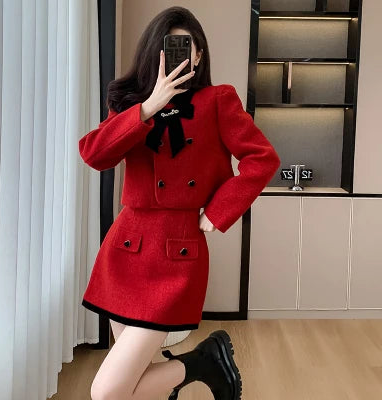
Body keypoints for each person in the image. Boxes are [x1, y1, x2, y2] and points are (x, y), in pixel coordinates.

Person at [79, 6, 281, 400]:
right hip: (125, 248)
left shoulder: (218, 100)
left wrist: (218, 212)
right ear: (153, 53)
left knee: (107, 392)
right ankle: (205, 362)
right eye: (170, 47)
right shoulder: (130, 102)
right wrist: (149, 107)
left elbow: (263, 158)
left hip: (178, 252)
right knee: (135, 380)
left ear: (200, 55)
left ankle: (202, 363)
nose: (179, 55)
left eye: (187, 47)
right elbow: (95, 155)